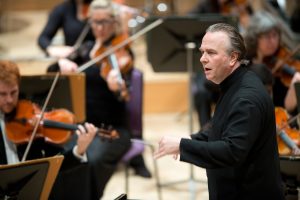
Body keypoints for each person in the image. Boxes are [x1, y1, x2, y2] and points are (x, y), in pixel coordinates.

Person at [154, 23, 285, 199]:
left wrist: (182, 145)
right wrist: (188, 142)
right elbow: (219, 129)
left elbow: (231, 151)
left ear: (233, 58)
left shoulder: (245, 99)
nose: (202, 58)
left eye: (211, 52)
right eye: (202, 52)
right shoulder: (235, 83)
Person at [47, 0, 140, 198]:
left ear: (115, 22)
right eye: (95, 22)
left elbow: (124, 90)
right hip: (81, 127)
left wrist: (117, 86)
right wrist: (61, 63)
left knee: (92, 159)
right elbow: (51, 73)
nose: (99, 28)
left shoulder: (123, 53)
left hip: (111, 130)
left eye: (105, 22)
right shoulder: (84, 49)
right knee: (60, 158)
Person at [0, 60, 98, 198]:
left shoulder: (30, 116)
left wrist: (79, 149)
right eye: (2, 94)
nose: (9, 100)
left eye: (13, 92)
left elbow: (56, 166)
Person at [187, 0, 253, 129]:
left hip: (237, 60)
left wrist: (244, 19)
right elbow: (187, 23)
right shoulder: (205, 6)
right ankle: (205, 132)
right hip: (213, 60)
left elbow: (253, 35)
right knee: (201, 92)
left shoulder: (243, 6)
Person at [244, 11, 300, 116]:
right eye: (267, 36)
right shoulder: (245, 63)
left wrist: (294, 87)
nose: (273, 41)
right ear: (255, 38)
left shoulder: (282, 65)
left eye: (275, 35)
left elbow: (287, 108)